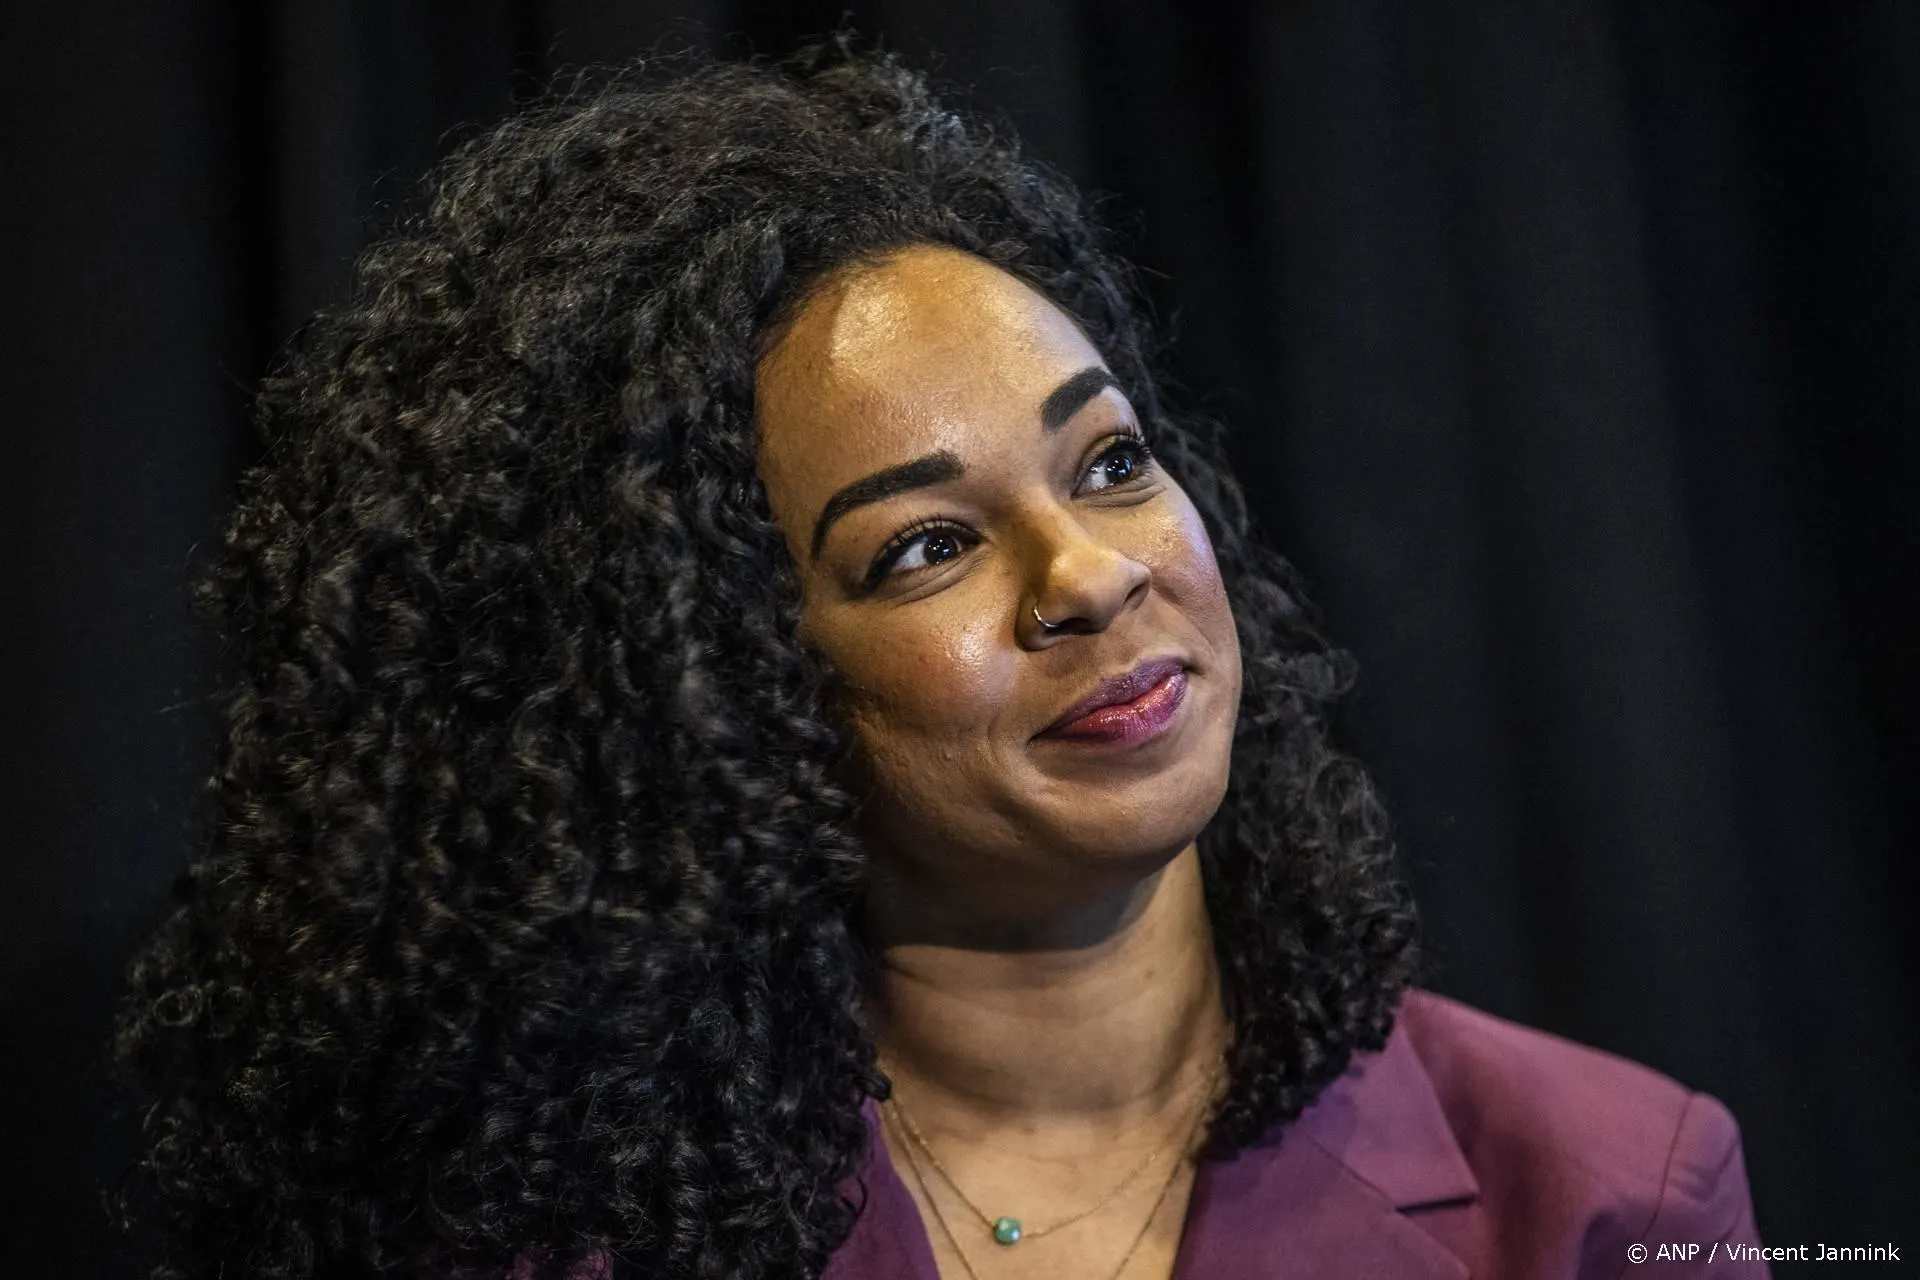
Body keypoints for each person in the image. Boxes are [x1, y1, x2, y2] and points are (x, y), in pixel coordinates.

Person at [107, 40, 1767, 1280]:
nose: (1090, 577)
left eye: (1110, 462)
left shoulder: (1612, 1193)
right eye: (924, 548)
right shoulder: (548, 1236)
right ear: (722, 690)